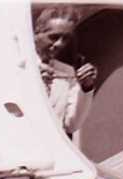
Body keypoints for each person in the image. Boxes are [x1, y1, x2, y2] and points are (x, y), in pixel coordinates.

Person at [34, 5, 98, 137]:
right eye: (54, 37)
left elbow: (72, 125)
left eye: (66, 38)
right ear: (37, 33)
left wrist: (87, 88)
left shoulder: (67, 72)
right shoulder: (20, 68)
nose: (60, 44)